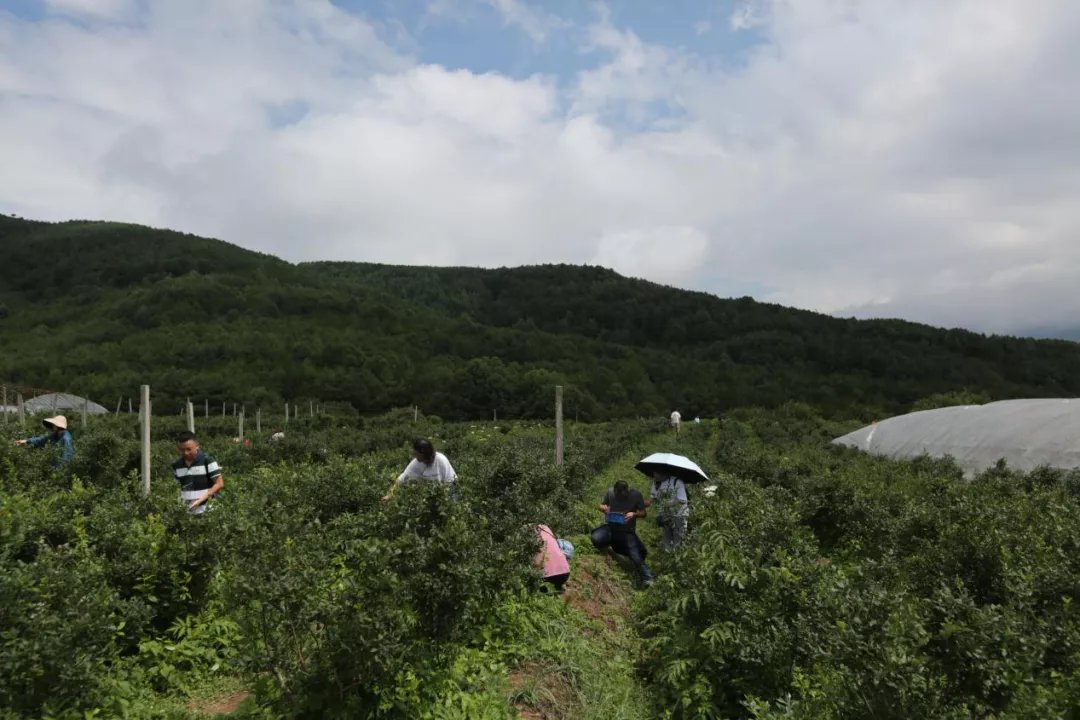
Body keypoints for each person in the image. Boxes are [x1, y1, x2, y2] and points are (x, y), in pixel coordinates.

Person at [591, 480, 654, 584]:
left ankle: (648, 578)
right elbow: (601, 505)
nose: (620, 496)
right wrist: (604, 508)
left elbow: (643, 513)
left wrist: (634, 514)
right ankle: (608, 550)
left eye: (622, 494)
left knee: (636, 555)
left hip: (627, 531)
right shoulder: (610, 492)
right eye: (617, 494)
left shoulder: (636, 495)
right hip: (611, 527)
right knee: (596, 538)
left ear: (627, 490)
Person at [382, 438, 457, 500]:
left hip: (449, 488)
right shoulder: (417, 462)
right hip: (433, 491)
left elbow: (450, 483)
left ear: (425, 454)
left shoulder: (441, 460)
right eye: (415, 454)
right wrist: (389, 494)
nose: (415, 456)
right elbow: (402, 478)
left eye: (417, 454)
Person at [172, 431, 223, 515]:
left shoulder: (208, 460)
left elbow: (219, 484)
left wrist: (200, 501)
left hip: (209, 509)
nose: (185, 453)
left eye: (189, 449)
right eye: (182, 450)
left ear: (197, 446)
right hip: (187, 511)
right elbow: (178, 486)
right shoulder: (177, 465)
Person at [646, 471, 688, 551]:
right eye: (654, 476)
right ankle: (667, 557)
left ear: (664, 474)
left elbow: (682, 500)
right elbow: (653, 498)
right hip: (665, 515)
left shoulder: (677, 482)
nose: (655, 478)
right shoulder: (656, 483)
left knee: (678, 539)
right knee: (666, 538)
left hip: (679, 514)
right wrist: (641, 503)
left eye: (657, 476)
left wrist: (668, 504)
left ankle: (678, 559)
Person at [533, 524, 571, 592]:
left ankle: (539, 590)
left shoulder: (529, 531)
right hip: (565, 573)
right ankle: (559, 586)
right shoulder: (545, 527)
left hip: (547, 576)